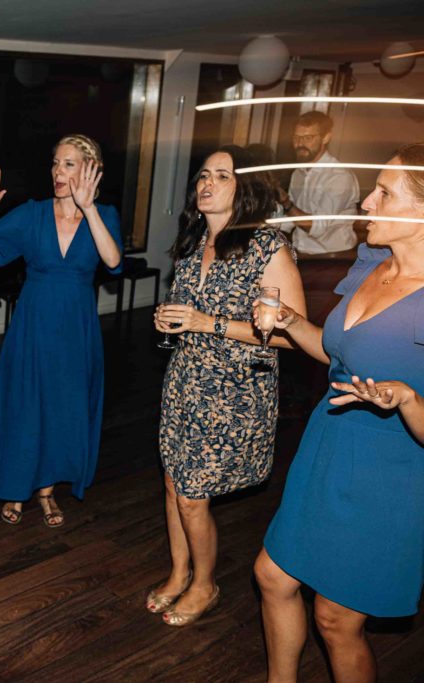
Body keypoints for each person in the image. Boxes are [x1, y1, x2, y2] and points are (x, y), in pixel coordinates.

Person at [255, 142, 424, 683]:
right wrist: (285, 319)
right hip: (326, 447)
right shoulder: (371, 261)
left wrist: (409, 400)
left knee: (335, 619)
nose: (367, 203)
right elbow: (337, 353)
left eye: (383, 193)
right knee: (272, 576)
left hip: (391, 472)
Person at [149, 146, 304, 626]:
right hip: (185, 381)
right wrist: (171, 319)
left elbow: (292, 334)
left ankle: (205, 583)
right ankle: (179, 572)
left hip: (234, 393)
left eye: (222, 175)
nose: (206, 183)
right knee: (175, 481)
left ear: (247, 187)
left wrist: (204, 321)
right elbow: (187, 312)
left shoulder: (267, 247)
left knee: (194, 495)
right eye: (203, 175)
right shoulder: (194, 240)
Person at [0, 135, 123, 527]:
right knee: (26, 404)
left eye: (68, 164)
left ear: (89, 170)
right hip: (33, 325)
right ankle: (17, 488)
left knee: (62, 407)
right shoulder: (32, 214)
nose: (57, 172)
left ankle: (47, 492)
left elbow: (114, 261)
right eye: (55, 163)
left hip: (76, 329)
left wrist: (89, 211)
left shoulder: (105, 215)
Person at [278, 111, 360, 255]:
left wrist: (286, 203)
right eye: (296, 137)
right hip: (300, 252)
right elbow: (289, 220)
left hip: (331, 258)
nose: (300, 143)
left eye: (308, 137)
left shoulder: (339, 176)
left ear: (326, 138)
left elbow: (317, 227)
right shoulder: (299, 172)